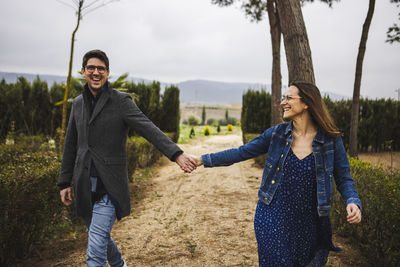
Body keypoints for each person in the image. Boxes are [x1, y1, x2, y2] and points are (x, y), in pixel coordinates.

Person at [191, 81, 362, 266]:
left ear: (307, 103)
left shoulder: (330, 140)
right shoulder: (276, 135)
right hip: (272, 217)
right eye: (283, 98)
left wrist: (352, 201)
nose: (283, 102)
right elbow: (241, 152)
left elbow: (344, 178)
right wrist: (202, 159)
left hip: (311, 224)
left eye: (289, 98)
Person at [58, 49, 197, 267]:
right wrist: (64, 182)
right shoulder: (77, 103)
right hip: (84, 186)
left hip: (109, 186)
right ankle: (118, 263)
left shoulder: (121, 101)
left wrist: (176, 154)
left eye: (101, 69)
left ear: (108, 73)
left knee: (94, 254)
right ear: (83, 71)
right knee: (97, 235)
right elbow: (71, 145)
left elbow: (147, 128)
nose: (96, 72)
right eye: (91, 68)